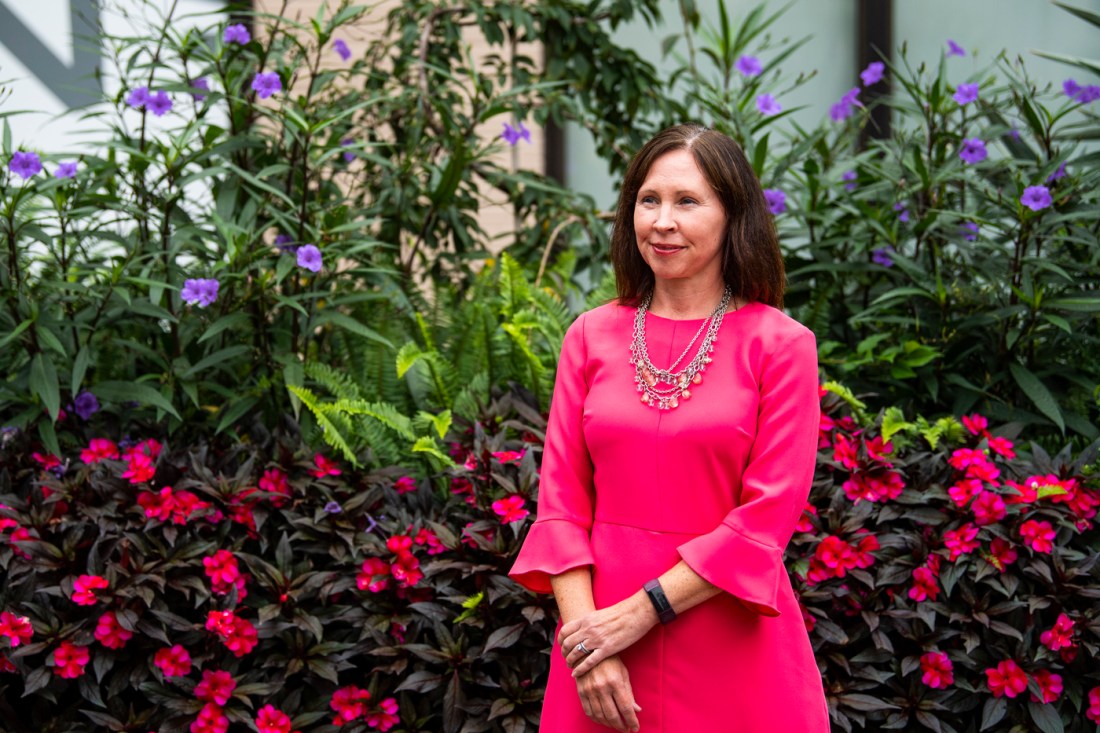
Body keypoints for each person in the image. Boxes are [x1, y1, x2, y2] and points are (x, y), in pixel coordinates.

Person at [508, 124, 829, 732]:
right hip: (600, 642)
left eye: (687, 201)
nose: (662, 220)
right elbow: (560, 509)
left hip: (729, 635)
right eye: (648, 199)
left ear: (734, 215)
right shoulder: (589, 336)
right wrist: (587, 647)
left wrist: (641, 613)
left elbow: (765, 520)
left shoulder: (782, 346)